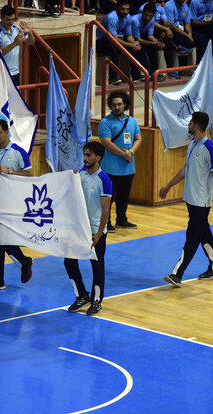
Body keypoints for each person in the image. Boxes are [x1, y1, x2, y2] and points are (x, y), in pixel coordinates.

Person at [159, 111, 213, 287]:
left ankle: (177, 274)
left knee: (192, 237)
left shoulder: (210, 148)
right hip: (191, 200)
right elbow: (185, 170)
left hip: (201, 202)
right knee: (204, 233)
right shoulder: (192, 144)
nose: (188, 125)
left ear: (196, 126)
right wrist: (168, 185)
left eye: (190, 123)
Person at [0, 119, 34, 290]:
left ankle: (22, 262)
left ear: (7, 133)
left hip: (13, 205)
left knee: (2, 240)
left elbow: (30, 176)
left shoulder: (18, 152)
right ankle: (0, 278)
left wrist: (9, 171)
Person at [65, 141, 112, 316]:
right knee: (69, 261)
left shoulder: (104, 180)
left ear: (98, 158)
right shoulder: (81, 175)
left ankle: (97, 301)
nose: (84, 158)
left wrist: (99, 233)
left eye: (88, 155)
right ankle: (82, 296)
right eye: (84, 155)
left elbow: (106, 210)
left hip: (94, 231)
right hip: (78, 229)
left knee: (97, 266)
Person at [98, 91, 141, 232]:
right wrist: (124, 154)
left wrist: (131, 152)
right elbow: (106, 143)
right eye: (114, 105)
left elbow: (138, 138)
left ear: (125, 105)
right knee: (108, 197)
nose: (117, 107)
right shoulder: (105, 122)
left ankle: (121, 219)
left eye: (119, 104)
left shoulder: (132, 121)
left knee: (124, 196)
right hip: (110, 168)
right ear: (110, 106)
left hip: (128, 168)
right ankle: (106, 222)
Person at [96, 0, 139, 85]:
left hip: (112, 40)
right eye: (123, 9)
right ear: (117, 8)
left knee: (134, 48)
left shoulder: (128, 17)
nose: (125, 11)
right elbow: (114, 39)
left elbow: (129, 35)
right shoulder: (111, 17)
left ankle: (136, 75)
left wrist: (134, 44)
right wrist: (131, 44)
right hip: (99, 41)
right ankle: (113, 78)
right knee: (114, 48)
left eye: (127, 9)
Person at [0, 5, 35, 86]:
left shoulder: (16, 30)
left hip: (15, 72)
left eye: (13, 20)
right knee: (4, 99)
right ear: (1, 18)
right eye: (8, 20)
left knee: (15, 98)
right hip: (1, 73)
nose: (10, 23)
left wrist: (29, 32)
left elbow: (31, 42)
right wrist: (14, 43)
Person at [164, 0, 206, 75]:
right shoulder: (169, 5)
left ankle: (198, 66)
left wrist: (190, 34)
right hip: (172, 31)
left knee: (202, 38)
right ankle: (182, 69)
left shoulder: (185, 6)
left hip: (182, 31)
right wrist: (187, 36)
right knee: (186, 41)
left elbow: (187, 23)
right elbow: (172, 25)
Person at [130, 3, 166, 82]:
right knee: (140, 49)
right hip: (130, 38)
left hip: (141, 37)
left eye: (150, 16)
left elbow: (150, 36)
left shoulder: (151, 20)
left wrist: (157, 42)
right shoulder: (135, 20)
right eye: (146, 15)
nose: (147, 18)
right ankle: (150, 73)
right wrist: (153, 43)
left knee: (153, 47)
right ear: (142, 13)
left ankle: (155, 71)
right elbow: (137, 39)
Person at [189, 0, 213, 66]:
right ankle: (199, 65)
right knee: (203, 39)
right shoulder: (194, 2)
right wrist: (210, 22)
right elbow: (194, 22)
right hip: (199, 26)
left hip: (211, 24)